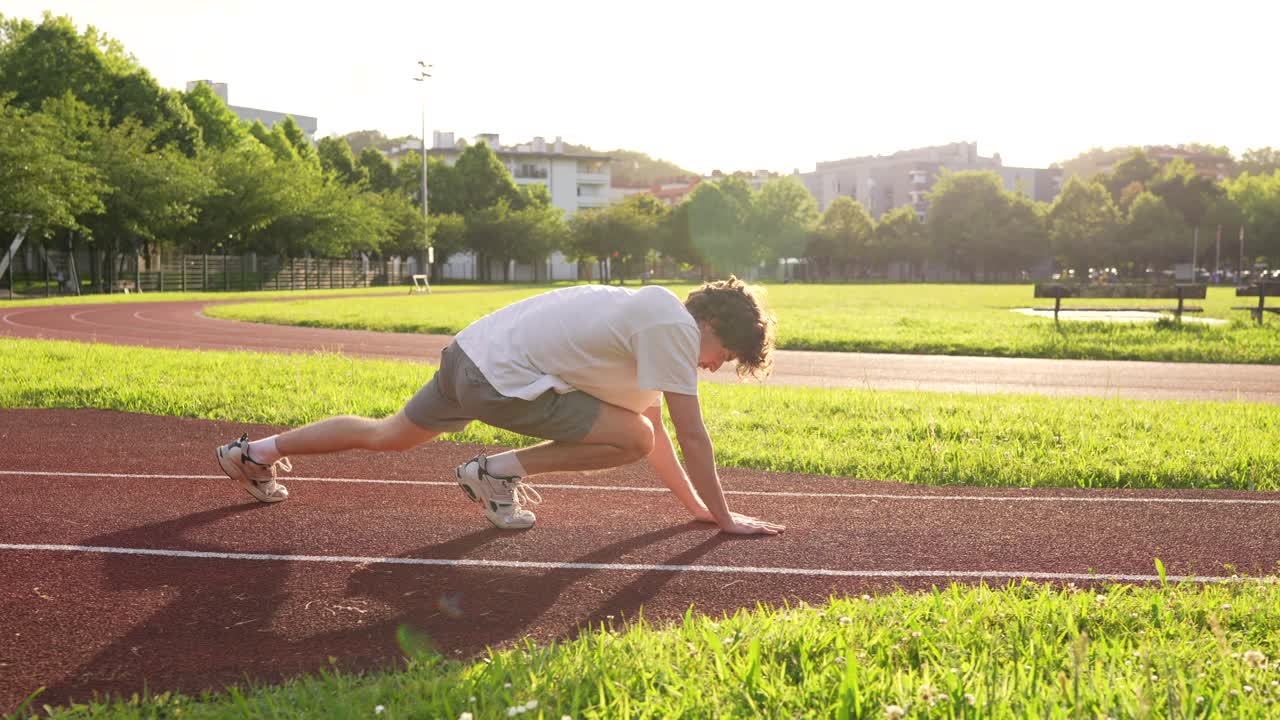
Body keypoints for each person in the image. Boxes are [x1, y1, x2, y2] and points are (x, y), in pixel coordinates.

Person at [216, 276, 784, 536]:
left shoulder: (650, 324)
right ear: (708, 325)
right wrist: (728, 518)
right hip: (499, 379)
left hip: (469, 355)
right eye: (725, 353)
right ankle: (491, 473)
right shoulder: (671, 328)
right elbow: (687, 436)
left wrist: (700, 510)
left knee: (387, 433)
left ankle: (253, 453)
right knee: (630, 436)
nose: (715, 366)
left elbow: (660, 437)